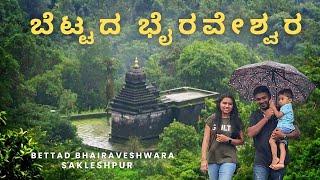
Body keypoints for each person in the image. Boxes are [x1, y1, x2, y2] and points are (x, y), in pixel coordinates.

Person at [247, 86, 300, 180]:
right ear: (256, 100)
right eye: (258, 99)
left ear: (270, 97)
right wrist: (266, 117)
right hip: (261, 160)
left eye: (264, 98)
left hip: (279, 161)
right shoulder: (255, 114)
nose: (262, 101)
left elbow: (297, 133)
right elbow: (251, 133)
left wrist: (284, 135)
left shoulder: (282, 111)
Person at [200, 95, 244, 180]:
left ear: (233, 106)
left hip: (229, 158)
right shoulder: (212, 119)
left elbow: (241, 141)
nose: (227, 106)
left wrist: (228, 140)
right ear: (219, 104)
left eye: (230, 104)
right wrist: (203, 159)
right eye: (224, 103)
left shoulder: (236, 120)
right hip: (212, 159)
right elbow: (205, 140)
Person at [269, 89, 295, 170]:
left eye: (282, 99)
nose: (280, 101)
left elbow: (278, 115)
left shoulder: (286, 106)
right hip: (288, 128)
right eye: (279, 99)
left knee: (271, 140)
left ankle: (275, 158)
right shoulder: (289, 107)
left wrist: (273, 107)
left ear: (289, 100)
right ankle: (281, 162)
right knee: (282, 144)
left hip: (282, 127)